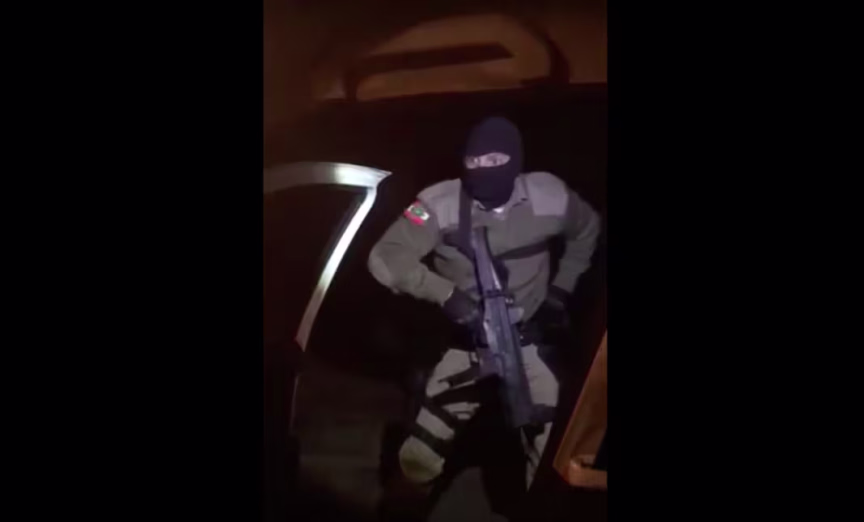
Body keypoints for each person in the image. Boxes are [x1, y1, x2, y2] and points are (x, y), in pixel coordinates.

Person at [367, 116, 600, 518]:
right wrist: (446, 294)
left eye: (495, 159)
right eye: (473, 161)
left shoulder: (548, 196)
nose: (483, 169)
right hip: (468, 345)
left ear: (516, 160)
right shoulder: (439, 204)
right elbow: (385, 258)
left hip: (527, 342)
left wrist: (560, 291)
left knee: (554, 449)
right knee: (423, 447)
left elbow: (588, 230)